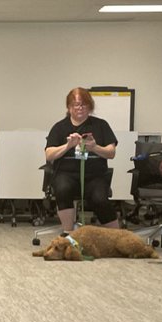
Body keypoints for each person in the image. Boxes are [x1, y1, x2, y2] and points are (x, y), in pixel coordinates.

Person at [44, 87, 119, 232]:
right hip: (66, 174)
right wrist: (68, 146)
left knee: (100, 199)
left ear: (90, 106)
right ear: (69, 107)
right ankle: (68, 234)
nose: (80, 108)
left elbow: (111, 153)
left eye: (84, 104)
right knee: (62, 189)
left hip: (95, 176)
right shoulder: (59, 127)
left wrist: (95, 147)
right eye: (76, 104)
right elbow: (49, 155)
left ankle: (117, 237)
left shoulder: (101, 125)